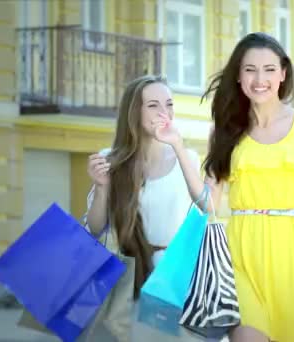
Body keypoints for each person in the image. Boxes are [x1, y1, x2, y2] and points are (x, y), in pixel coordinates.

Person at [151, 32, 294, 342]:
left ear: (283, 74)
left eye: (269, 69)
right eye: (250, 69)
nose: (259, 79)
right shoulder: (225, 131)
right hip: (239, 254)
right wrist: (176, 143)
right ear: (238, 76)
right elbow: (207, 201)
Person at [84, 75, 202, 341]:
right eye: (153, 105)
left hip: (174, 278)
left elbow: (208, 209)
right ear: (134, 112)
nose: (164, 112)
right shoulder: (109, 159)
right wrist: (102, 187)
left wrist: (179, 146)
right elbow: (94, 228)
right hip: (125, 277)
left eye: (169, 104)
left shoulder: (188, 158)